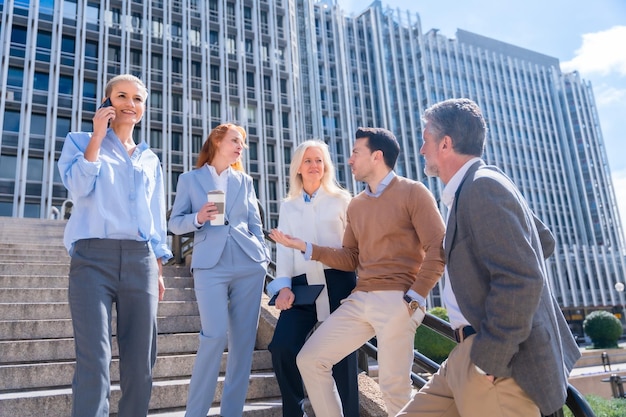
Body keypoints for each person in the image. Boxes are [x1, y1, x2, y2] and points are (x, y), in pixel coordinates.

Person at [396, 98, 581, 417]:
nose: (421, 150)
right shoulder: (479, 185)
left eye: (425, 140)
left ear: (446, 143)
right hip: (463, 358)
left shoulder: (482, 187)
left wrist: (491, 358)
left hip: (493, 367)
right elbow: (543, 242)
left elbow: (522, 278)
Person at [270, 127, 446, 416]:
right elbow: (350, 256)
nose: (349, 160)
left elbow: (438, 248)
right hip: (360, 298)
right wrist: (305, 246)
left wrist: (415, 296)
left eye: (355, 153)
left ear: (376, 156)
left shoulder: (413, 192)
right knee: (310, 359)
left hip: (398, 299)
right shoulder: (358, 205)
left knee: (394, 390)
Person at [58, 74, 173, 417]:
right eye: (121, 96)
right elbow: (78, 188)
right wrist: (97, 135)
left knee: (141, 364)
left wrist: (159, 268)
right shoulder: (79, 142)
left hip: (141, 261)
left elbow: (155, 219)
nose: (129, 104)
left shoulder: (150, 159)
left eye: (137, 99)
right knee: (95, 359)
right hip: (92, 259)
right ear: (107, 102)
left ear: (143, 108)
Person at [168, 123, 270, 417]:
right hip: (209, 265)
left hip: (248, 263)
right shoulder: (190, 179)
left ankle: (231, 413)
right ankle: (195, 413)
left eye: (243, 142)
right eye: (236, 140)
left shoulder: (244, 181)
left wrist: (262, 255)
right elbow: (174, 223)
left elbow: (255, 224)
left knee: (242, 344)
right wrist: (198, 218)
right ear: (217, 141)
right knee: (213, 336)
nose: (241, 146)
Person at [267, 140, 359, 417]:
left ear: (326, 166)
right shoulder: (289, 206)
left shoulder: (342, 200)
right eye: (308, 160)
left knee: (342, 359)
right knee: (283, 347)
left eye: (319, 160)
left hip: (339, 283)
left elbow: (355, 249)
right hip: (302, 287)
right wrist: (283, 287)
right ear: (298, 167)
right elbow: (283, 252)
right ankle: (295, 412)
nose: (314, 166)